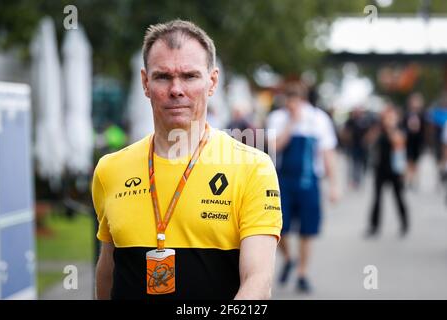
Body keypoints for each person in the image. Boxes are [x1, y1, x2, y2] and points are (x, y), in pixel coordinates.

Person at [92, 19, 282, 300]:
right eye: (163, 77)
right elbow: (108, 269)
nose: (176, 89)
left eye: (190, 76)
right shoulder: (110, 169)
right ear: (145, 82)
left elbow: (258, 281)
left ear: (212, 81)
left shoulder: (253, 168)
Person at [266, 83, 338, 293]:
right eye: (289, 100)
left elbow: (327, 152)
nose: (293, 105)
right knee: (278, 227)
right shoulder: (278, 119)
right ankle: (289, 258)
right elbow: (274, 147)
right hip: (282, 182)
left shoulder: (318, 119)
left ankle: (302, 273)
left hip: (309, 182)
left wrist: (334, 184)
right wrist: (291, 125)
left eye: (296, 100)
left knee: (307, 230)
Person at [366, 104, 409, 238]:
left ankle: (404, 224)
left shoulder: (399, 131)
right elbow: (368, 141)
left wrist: (391, 129)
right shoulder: (379, 131)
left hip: (395, 170)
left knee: (398, 198)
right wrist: (376, 131)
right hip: (380, 168)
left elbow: (399, 145)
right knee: (377, 198)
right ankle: (374, 226)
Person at [403, 92, 425, 188]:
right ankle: (409, 179)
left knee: (416, 162)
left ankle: (414, 179)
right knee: (409, 161)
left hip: (418, 141)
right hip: (408, 141)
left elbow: (424, 130)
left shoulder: (422, 115)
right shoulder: (407, 114)